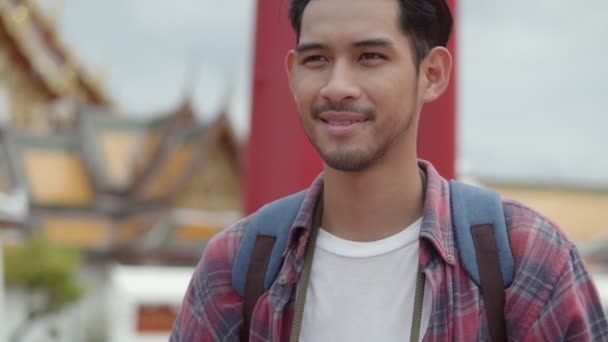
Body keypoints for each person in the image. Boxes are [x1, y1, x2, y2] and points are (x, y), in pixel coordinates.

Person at [170, 0, 608, 340]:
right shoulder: (236, 267)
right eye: (316, 59)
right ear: (291, 72)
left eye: (369, 57)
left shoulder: (523, 262)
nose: (337, 86)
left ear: (432, 73)